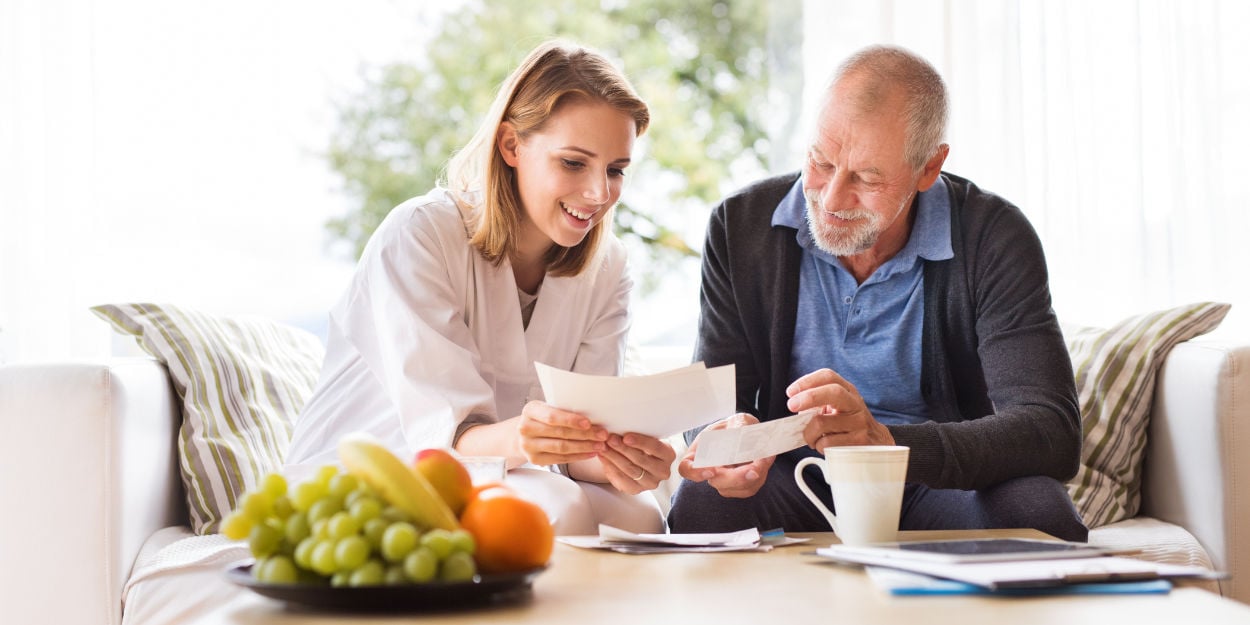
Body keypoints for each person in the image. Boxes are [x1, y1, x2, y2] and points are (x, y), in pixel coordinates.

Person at [667, 44, 1088, 542]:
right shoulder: (740, 226)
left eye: (866, 178)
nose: (831, 198)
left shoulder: (993, 235)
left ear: (929, 168)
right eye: (820, 163)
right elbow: (711, 401)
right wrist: (725, 443)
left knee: (1040, 511)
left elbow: (1051, 431)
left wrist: (885, 443)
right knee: (701, 506)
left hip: (938, 481)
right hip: (801, 476)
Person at [285, 40, 675, 535]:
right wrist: (536, 440)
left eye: (616, 170)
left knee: (641, 516)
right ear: (511, 145)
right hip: (383, 470)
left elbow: (581, 456)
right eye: (574, 163)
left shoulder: (610, 265)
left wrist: (623, 459)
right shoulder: (419, 234)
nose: (600, 194)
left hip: (505, 472)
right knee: (556, 506)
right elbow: (449, 438)